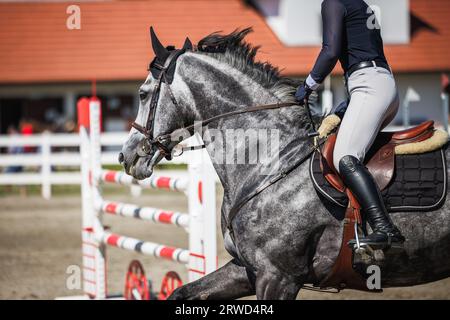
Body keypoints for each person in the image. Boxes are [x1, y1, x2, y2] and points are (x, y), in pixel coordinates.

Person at [295, 0, 404, 249]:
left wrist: (309, 85)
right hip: (380, 83)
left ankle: (384, 228)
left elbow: (330, 51)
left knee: (345, 157)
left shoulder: (333, 2)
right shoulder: (361, 4)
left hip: (368, 85)